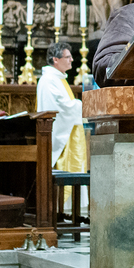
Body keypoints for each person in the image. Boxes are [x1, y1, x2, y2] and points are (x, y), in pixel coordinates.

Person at [37, 42, 88, 209]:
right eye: (68, 57)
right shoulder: (49, 80)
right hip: (62, 136)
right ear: (56, 59)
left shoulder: (58, 79)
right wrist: (82, 105)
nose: (72, 60)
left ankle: (72, 209)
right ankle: (64, 209)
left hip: (70, 132)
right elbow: (63, 108)